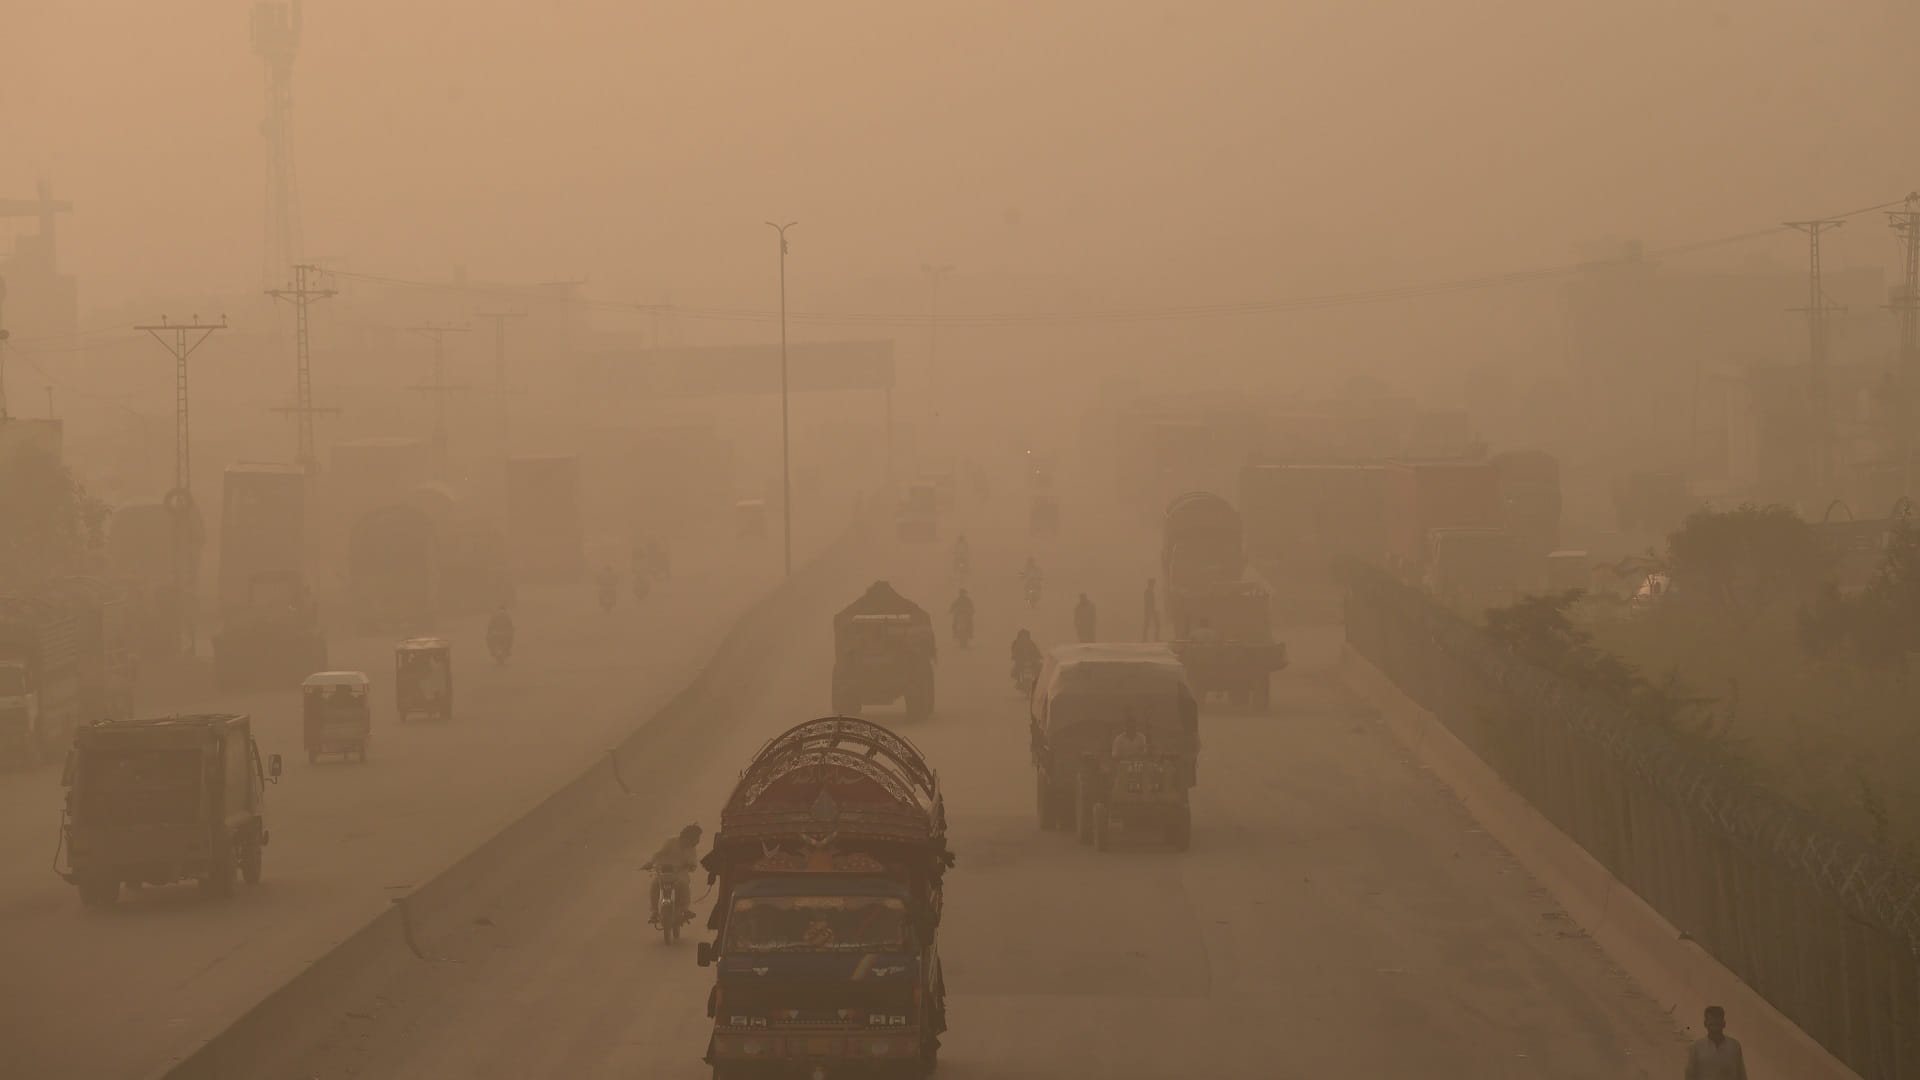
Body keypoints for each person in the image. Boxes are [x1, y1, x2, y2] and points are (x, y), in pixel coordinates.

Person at [644, 823, 704, 927]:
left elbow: (693, 865)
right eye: (693, 838)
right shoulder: (671, 842)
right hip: (663, 872)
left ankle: (685, 909)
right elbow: (659, 853)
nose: (694, 842)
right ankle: (654, 912)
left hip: (679, 875)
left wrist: (690, 866)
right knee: (654, 885)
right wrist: (650, 863)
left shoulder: (691, 849)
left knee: (685, 886)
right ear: (686, 837)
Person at [1684, 1005, 1747, 1080]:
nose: (1714, 1028)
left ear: (1724, 1024)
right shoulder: (1696, 1047)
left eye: (1717, 1024)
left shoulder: (1734, 1046)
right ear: (1705, 1024)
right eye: (1712, 1024)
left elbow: (1741, 1075)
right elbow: (1690, 1076)